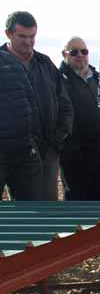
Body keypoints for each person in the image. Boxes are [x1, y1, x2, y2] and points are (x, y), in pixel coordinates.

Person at [2, 11, 73, 201]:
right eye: (22, 36)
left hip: (48, 146)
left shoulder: (46, 65)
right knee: (20, 210)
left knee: (47, 204)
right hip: (10, 150)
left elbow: (65, 105)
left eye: (32, 36)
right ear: (8, 34)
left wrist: (58, 139)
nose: (28, 42)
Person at [59, 37, 100, 200]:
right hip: (74, 155)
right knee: (77, 203)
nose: (80, 55)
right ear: (65, 54)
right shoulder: (57, 80)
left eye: (84, 51)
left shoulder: (97, 78)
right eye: (74, 51)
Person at [0, 49, 42, 200]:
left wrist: (32, 136)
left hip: (24, 150)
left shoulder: (11, 62)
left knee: (31, 209)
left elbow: (31, 101)